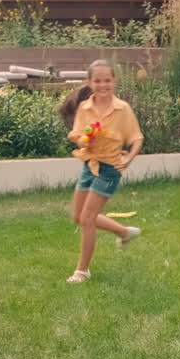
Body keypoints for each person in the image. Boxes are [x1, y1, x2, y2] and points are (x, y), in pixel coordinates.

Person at [60, 59, 143, 283]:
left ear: (114, 81)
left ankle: (82, 271)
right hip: (90, 165)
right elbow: (78, 135)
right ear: (89, 82)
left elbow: (136, 138)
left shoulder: (122, 109)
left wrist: (130, 157)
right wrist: (83, 142)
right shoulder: (84, 108)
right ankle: (124, 232)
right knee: (78, 216)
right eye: (97, 80)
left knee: (88, 218)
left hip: (110, 169)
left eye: (107, 80)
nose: (103, 85)